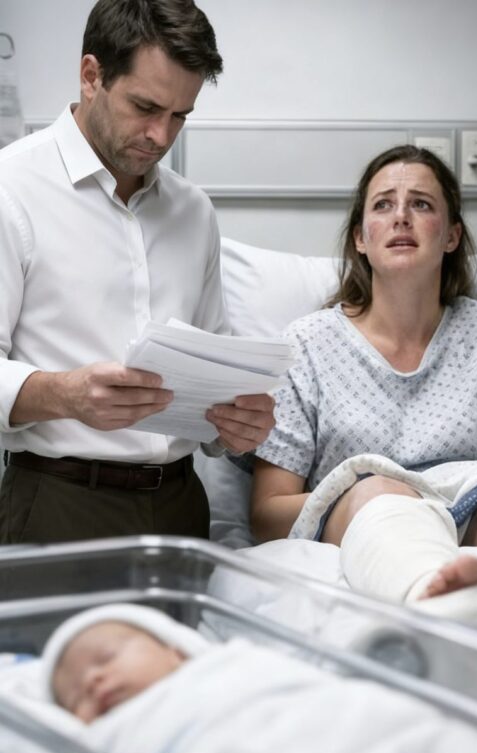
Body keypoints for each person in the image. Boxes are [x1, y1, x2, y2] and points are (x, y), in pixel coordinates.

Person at [251, 144, 477, 605]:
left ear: (451, 235)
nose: (401, 217)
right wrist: (358, 499)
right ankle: (434, 594)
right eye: (383, 205)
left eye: (420, 204)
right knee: (381, 493)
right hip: (367, 514)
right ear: (360, 238)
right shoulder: (306, 348)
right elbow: (267, 513)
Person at [0, 0, 275, 544]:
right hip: (58, 503)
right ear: (91, 76)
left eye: (179, 116)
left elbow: (213, 364)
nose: (160, 136)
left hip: (180, 506)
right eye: (145, 107)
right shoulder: (12, 189)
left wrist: (236, 426)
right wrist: (64, 394)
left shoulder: (194, 211)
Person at [38, 604, 477, 753]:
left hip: (356, 740)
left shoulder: (239, 667)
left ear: (175, 649)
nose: (94, 680)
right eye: (74, 696)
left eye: (106, 656)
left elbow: (330, 703)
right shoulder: (108, 746)